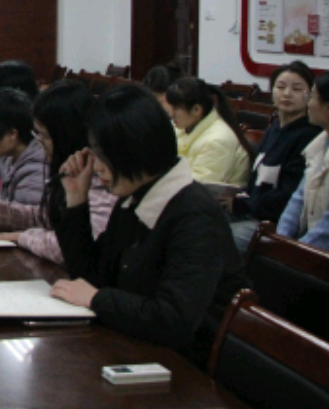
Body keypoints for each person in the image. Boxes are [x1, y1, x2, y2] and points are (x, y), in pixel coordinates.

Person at [51, 84, 248, 361]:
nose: (96, 167)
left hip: (188, 366)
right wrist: (76, 201)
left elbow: (173, 319)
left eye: (103, 156)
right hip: (137, 346)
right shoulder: (134, 197)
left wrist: (96, 299)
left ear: (134, 150)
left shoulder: (195, 216)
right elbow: (92, 276)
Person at [0, 81, 116, 264]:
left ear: (65, 137)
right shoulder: (71, 169)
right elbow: (46, 217)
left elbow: (79, 246)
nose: (39, 144)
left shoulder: (99, 177)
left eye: (43, 136)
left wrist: (23, 237)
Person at [228, 62, 320, 252]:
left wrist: (243, 205)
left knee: (219, 237)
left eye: (297, 89)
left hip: (273, 222)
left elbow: (288, 196)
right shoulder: (274, 128)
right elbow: (256, 182)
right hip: (251, 209)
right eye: (280, 87)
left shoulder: (310, 135)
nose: (287, 94)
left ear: (311, 95)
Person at [277, 72, 329, 250]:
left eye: (312, 97)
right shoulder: (318, 144)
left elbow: (325, 232)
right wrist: (280, 241)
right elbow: (297, 201)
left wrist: (294, 252)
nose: (308, 104)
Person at [166, 77, 250, 185]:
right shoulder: (182, 125)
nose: (171, 114)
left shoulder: (217, 141)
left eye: (176, 109)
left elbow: (197, 187)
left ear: (196, 110)